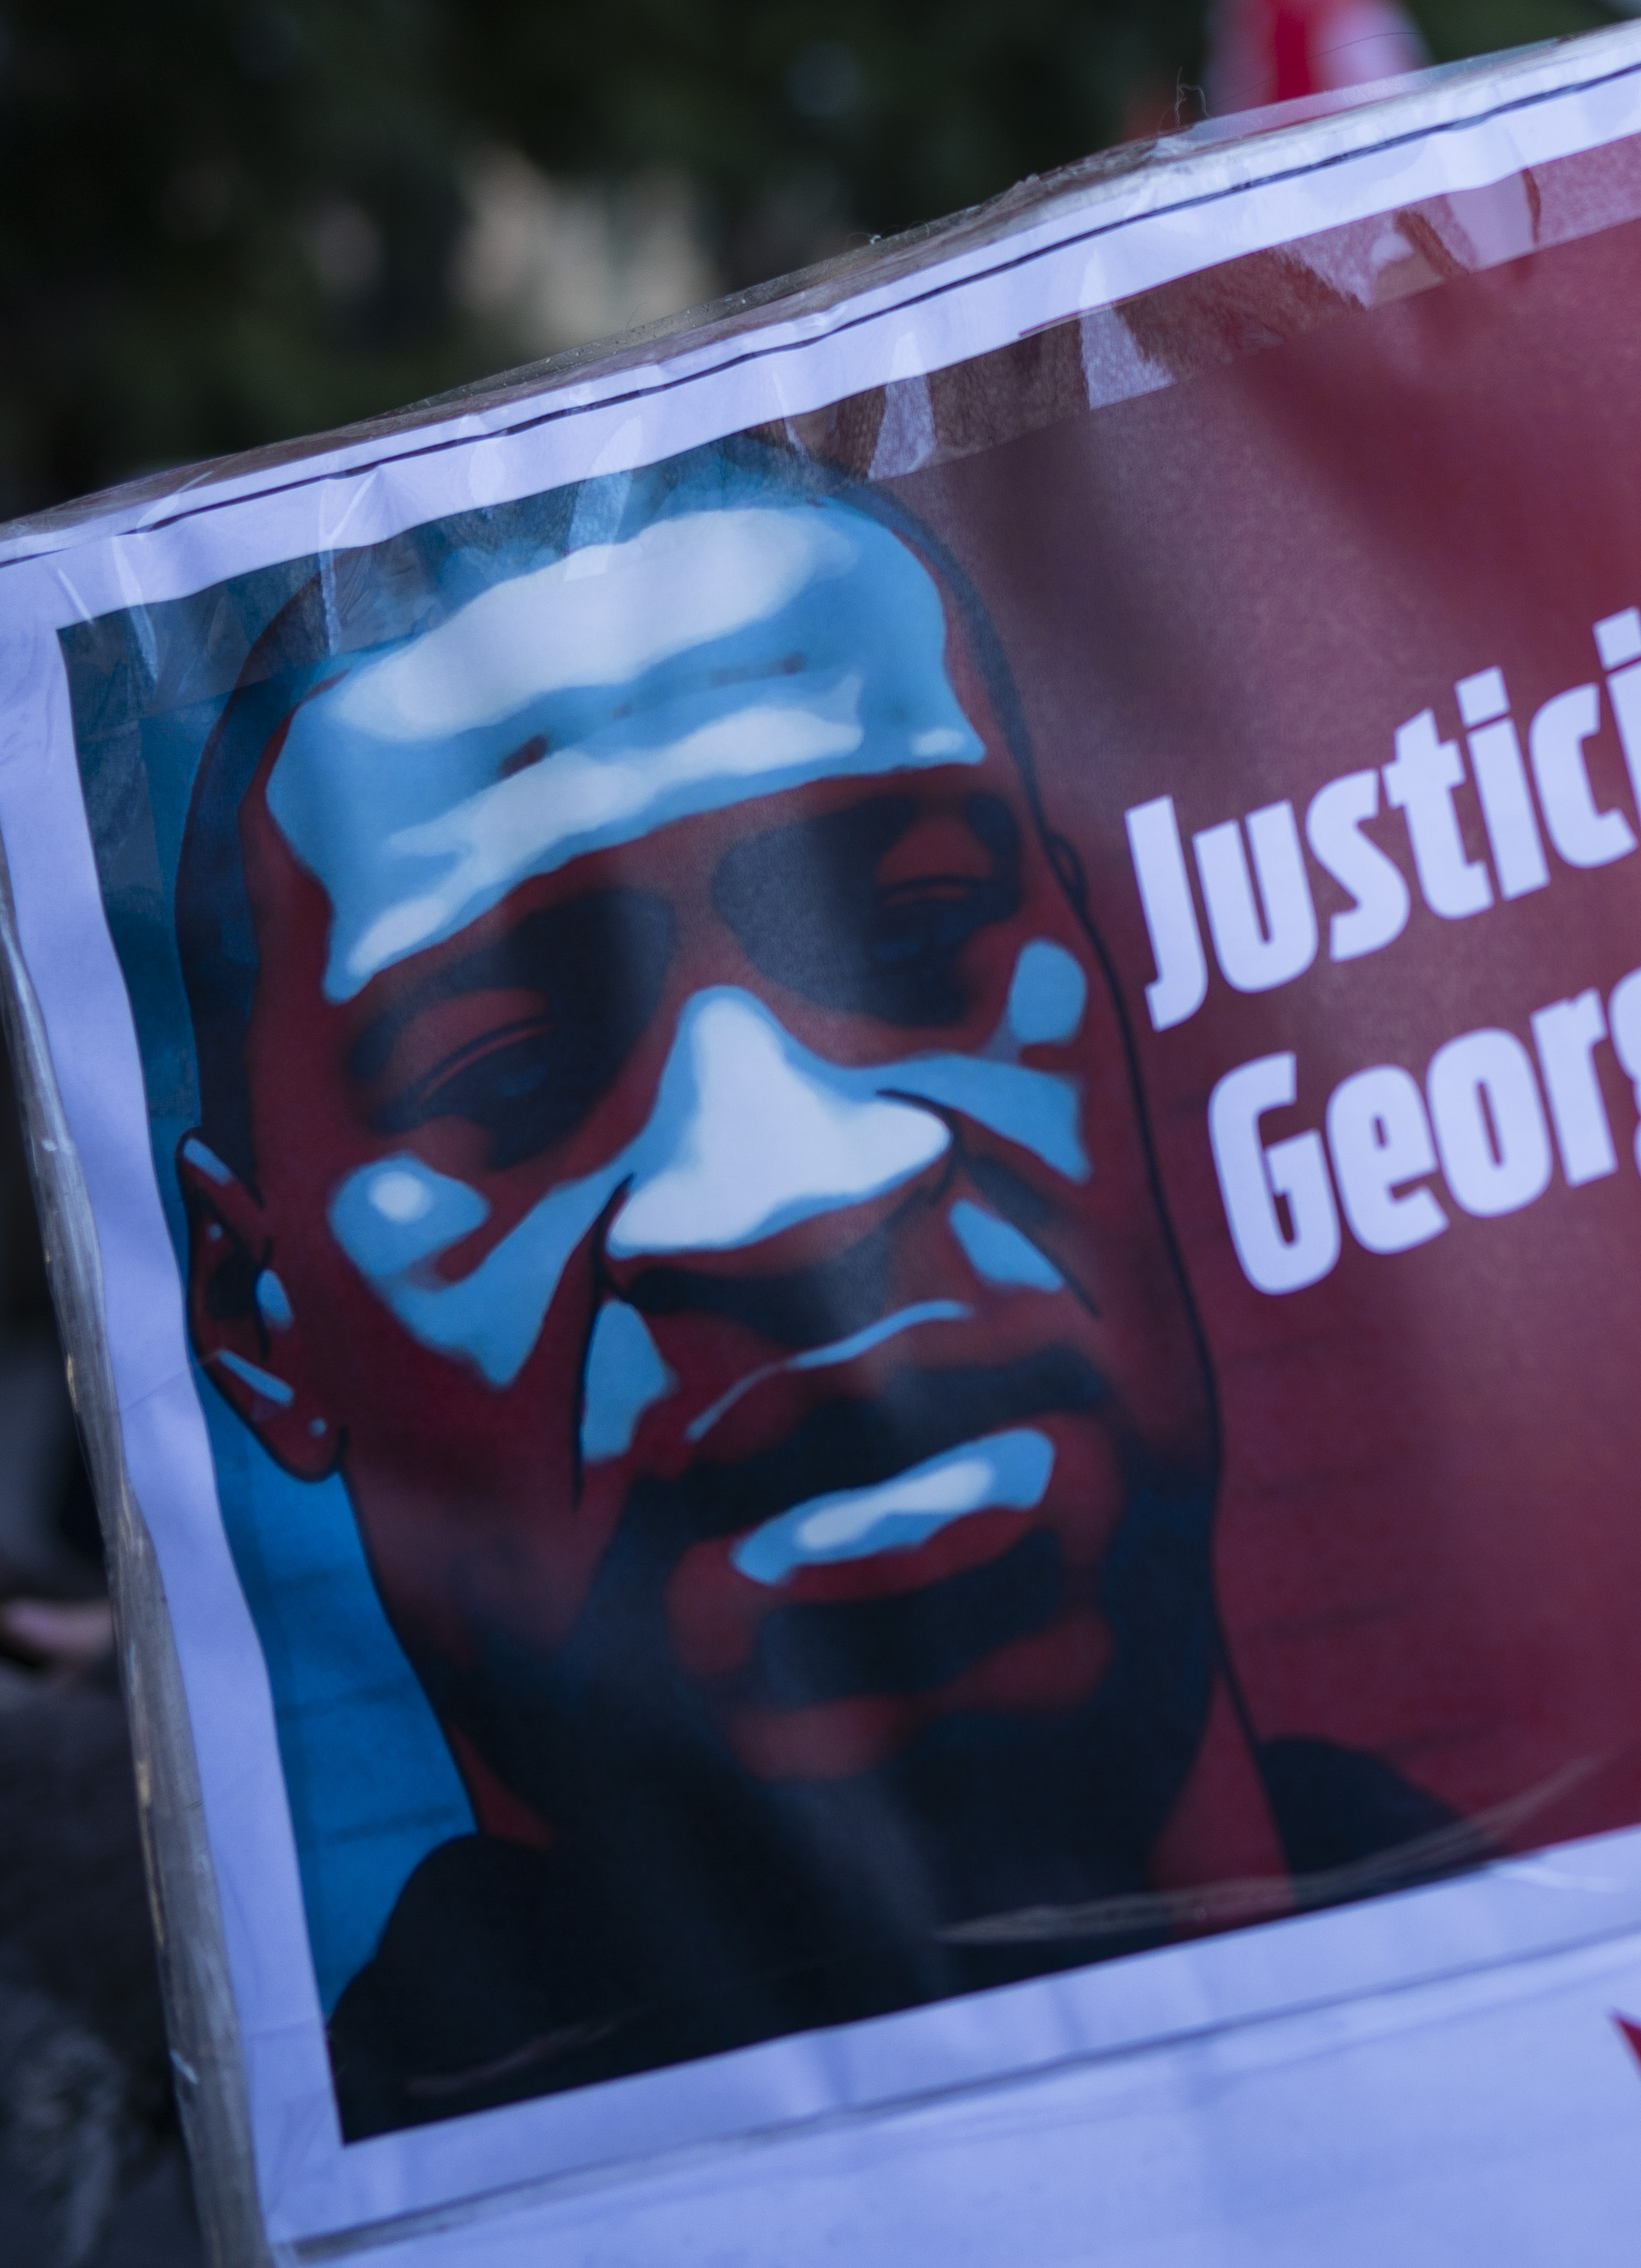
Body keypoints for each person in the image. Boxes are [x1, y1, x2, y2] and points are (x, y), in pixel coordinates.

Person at [168, 440, 1451, 2136]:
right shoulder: (375, 2234)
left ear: (1127, 1004)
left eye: (918, 934)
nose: (789, 1189)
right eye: (504, 1074)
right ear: (262, 1325)